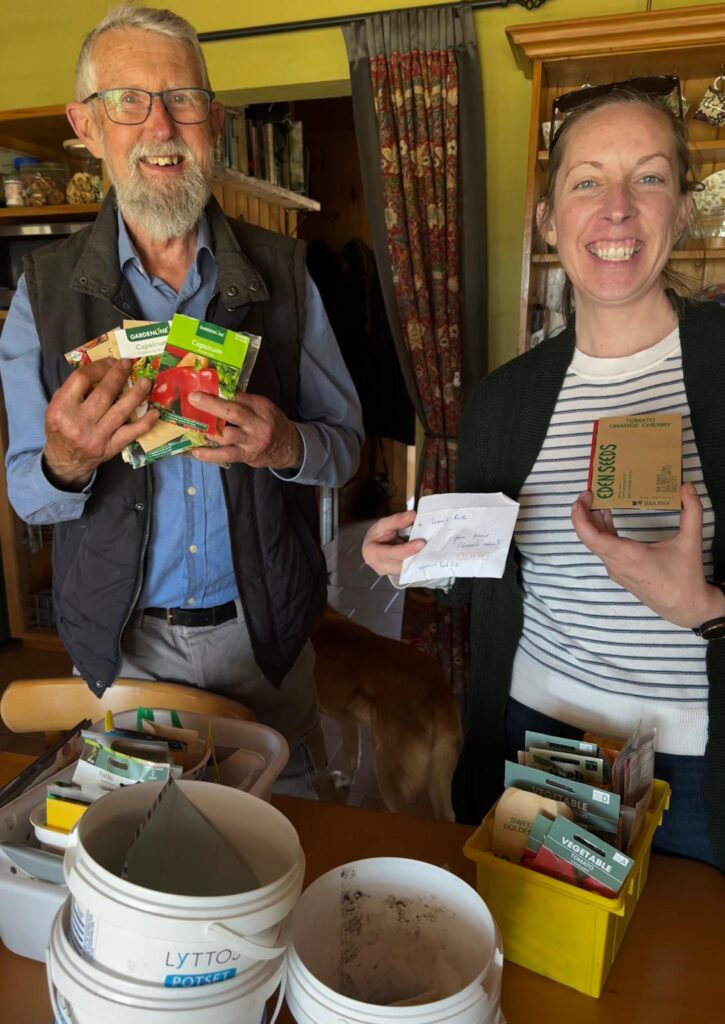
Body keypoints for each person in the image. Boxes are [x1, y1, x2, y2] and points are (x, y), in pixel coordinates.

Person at [363, 80, 725, 870]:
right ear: (548, 218)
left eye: (650, 177)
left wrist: (705, 610)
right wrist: (414, 561)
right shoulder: (503, 400)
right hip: (536, 744)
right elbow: (487, 579)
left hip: (701, 773)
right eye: (587, 180)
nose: (617, 207)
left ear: (682, 209)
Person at [0, 5, 364, 789]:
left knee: (287, 839)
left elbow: (344, 447)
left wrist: (285, 446)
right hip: (123, 644)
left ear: (214, 122)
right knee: (143, 860)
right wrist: (64, 461)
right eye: (128, 100)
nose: (160, 124)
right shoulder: (45, 291)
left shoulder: (289, 273)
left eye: (183, 100)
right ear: (86, 126)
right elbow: (28, 494)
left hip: (265, 636)